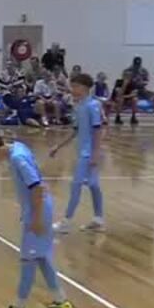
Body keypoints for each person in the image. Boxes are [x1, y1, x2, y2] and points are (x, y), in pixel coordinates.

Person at [0, 132, 73, 308]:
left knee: (28, 259)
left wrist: (35, 219)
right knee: (42, 257)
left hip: (38, 211)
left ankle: (19, 307)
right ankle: (61, 302)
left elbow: (36, 188)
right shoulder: (18, 147)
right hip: (37, 208)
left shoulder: (18, 159)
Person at [50, 73, 106, 233]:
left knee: (76, 184)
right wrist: (58, 146)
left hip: (89, 153)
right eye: (72, 86)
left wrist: (95, 153)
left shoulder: (93, 105)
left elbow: (97, 130)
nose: (72, 90)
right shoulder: (78, 106)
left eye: (75, 86)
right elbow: (76, 130)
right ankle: (98, 219)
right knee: (94, 185)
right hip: (83, 151)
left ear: (85, 88)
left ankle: (66, 221)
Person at [114, 57, 149, 125]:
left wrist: (141, 83)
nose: (128, 77)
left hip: (137, 91)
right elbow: (119, 93)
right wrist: (125, 84)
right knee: (120, 99)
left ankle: (133, 117)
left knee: (135, 99)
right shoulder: (119, 82)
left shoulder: (143, 72)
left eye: (129, 76)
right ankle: (118, 117)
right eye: (126, 76)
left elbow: (134, 93)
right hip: (122, 96)